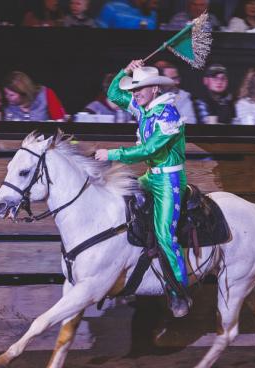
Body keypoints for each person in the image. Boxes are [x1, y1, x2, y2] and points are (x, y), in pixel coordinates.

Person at [94, 59, 191, 317]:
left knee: (164, 234)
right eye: (135, 88)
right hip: (151, 176)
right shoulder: (142, 107)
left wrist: (112, 153)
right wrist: (124, 70)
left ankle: (178, 291)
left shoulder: (168, 114)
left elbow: (149, 149)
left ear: (156, 89)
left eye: (141, 88)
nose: (135, 93)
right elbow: (114, 93)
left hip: (169, 181)